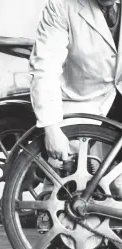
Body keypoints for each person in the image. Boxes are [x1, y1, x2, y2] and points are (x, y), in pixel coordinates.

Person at [29, 0, 122, 197]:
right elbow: (45, 67)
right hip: (83, 97)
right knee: (66, 174)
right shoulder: (60, 5)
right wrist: (51, 128)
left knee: (115, 185)